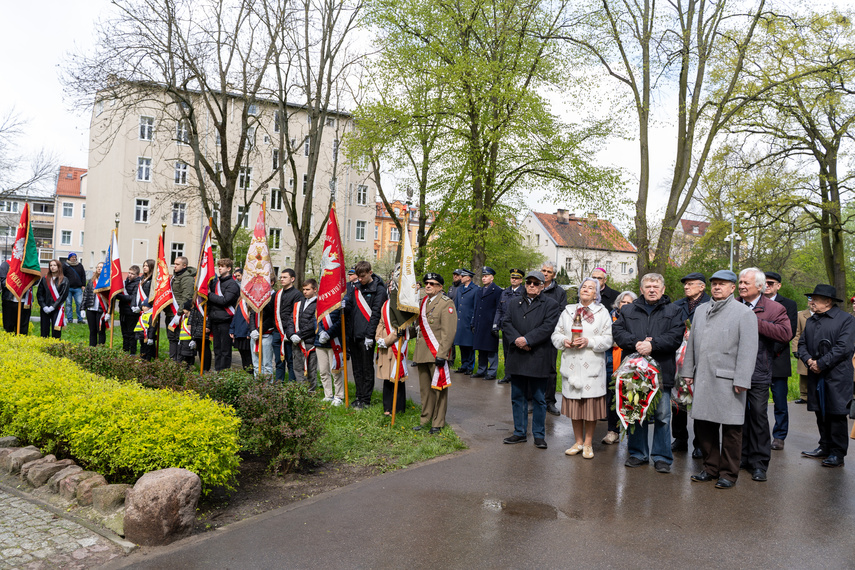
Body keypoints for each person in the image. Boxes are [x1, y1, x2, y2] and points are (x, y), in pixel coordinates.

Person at [682, 270, 758, 489]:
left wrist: (742, 379)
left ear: (733, 288)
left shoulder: (744, 313)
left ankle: (728, 473)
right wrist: (687, 371)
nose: (717, 287)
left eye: (722, 284)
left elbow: (748, 349)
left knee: (732, 429)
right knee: (704, 426)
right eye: (714, 283)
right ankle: (710, 468)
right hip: (703, 377)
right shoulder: (701, 310)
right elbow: (692, 345)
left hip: (729, 380)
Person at [612, 272, 685, 473]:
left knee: (662, 416)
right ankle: (637, 454)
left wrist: (652, 346)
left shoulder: (674, 310)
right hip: (634, 373)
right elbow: (618, 332)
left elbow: (675, 336)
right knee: (635, 413)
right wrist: (636, 344)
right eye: (648, 286)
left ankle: (662, 457)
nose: (652, 290)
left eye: (656, 286)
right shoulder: (628, 310)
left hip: (661, 371)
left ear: (662, 290)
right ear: (641, 290)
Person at [737, 267, 791, 483]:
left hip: (759, 371)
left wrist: (753, 321)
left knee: (758, 416)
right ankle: (740, 457)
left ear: (760, 286)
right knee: (737, 417)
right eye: (740, 282)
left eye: (746, 283)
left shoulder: (775, 308)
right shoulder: (732, 306)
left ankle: (759, 464)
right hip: (732, 371)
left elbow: (785, 334)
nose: (741, 286)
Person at [552, 277, 613, 458]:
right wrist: (564, 341)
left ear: (596, 293)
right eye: (583, 287)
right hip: (571, 364)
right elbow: (556, 334)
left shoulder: (602, 312)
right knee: (575, 407)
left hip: (592, 366)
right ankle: (578, 442)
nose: (586, 290)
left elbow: (608, 339)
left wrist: (589, 341)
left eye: (590, 288)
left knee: (590, 408)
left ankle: (588, 444)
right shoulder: (569, 311)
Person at [798, 284, 855, 468]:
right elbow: (802, 344)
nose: (811, 302)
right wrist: (809, 361)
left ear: (828, 301)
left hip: (837, 375)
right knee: (819, 411)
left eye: (815, 299)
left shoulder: (846, 320)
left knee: (836, 413)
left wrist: (820, 363)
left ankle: (837, 453)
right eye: (811, 298)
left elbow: (843, 348)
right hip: (816, 374)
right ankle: (824, 446)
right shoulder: (813, 320)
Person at [502, 270, 560, 449]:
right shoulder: (513, 303)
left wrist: (528, 340)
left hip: (538, 355)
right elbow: (506, 322)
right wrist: (518, 340)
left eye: (536, 283)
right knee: (517, 396)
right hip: (518, 355)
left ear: (543, 286)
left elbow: (548, 326)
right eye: (529, 283)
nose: (532, 286)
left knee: (538, 398)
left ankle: (539, 435)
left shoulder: (550, 304)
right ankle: (519, 432)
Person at [671, 272, 711, 457]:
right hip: (677, 359)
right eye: (685, 284)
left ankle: (700, 443)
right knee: (677, 400)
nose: (686, 287)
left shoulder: (711, 304)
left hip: (701, 359)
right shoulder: (677, 305)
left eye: (690, 284)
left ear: (701, 287)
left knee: (698, 401)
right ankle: (679, 439)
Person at [413, 272, 457, 434]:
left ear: (440, 287)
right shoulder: (423, 302)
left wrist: (443, 354)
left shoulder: (446, 303)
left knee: (439, 388)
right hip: (422, 351)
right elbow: (418, 327)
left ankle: (437, 423)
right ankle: (425, 419)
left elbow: (449, 332)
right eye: (426, 283)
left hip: (436, 352)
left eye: (432, 283)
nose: (428, 286)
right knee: (425, 389)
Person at [343, 260, 387, 409]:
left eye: (362, 276)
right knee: (356, 368)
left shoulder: (379, 289)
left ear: (370, 273)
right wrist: (344, 305)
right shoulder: (355, 288)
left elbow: (375, 314)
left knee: (366, 368)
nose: (360, 279)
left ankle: (366, 399)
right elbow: (351, 308)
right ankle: (359, 396)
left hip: (366, 336)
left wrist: (370, 335)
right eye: (358, 276)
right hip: (353, 334)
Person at [763, 271, 798, 451]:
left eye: (771, 282)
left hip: (777, 359)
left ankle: (779, 436)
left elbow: (788, 332)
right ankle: (758, 435)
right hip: (757, 361)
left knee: (780, 401)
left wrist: (769, 351)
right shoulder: (756, 302)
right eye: (764, 282)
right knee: (756, 402)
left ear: (778, 285)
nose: (767, 285)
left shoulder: (789, 304)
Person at [602, 291, 637, 445]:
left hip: (632, 362)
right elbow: (604, 337)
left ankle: (632, 434)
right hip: (611, 362)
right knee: (612, 398)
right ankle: (612, 431)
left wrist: (622, 341)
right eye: (623, 302)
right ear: (618, 303)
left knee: (632, 398)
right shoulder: (608, 316)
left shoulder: (637, 317)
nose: (626, 305)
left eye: (630, 303)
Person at [540, 261, 567, 416]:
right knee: (533, 367)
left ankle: (550, 401)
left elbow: (562, 312)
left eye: (549, 272)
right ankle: (532, 400)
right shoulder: (534, 286)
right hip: (534, 335)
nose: (545, 273)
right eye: (543, 270)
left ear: (554, 275)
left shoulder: (560, 292)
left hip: (551, 335)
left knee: (550, 369)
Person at [376, 290, 407, 416]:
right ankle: (387, 407)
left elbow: (403, 327)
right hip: (385, 345)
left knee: (397, 377)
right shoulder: (386, 304)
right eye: (390, 286)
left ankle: (398, 409)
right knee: (386, 378)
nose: (391, 288)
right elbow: (381, 323)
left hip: (397, 344)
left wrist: (389, 339)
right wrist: (379, 339)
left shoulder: (404, 305)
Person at [207, 258, 240, 371]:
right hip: (215, 319)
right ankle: (217, 370)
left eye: (222, 266)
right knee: (217, 348)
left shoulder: (232, 285)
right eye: (219, 266)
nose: (219, 268)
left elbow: (225, 300)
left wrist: (210, 295)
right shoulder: (216, 283)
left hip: (226, 320)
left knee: (225, 349)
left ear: (229, 268)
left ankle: (224, 372)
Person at [471, 266, 502, 380]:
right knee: (481, 349)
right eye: (483, 276)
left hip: (490, 324)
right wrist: (473, 322)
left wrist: (496, 324)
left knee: (491, 349)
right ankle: (481, 370)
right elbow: (476, 307)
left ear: (492, 277)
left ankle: (492, 372)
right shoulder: (479, 290)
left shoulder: (497, 290)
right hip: (480, 324)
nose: (484, 278)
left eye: (486, 276)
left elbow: (499, 308)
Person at [494, 268, 524, 384]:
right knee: (507, 352)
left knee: (518, 352)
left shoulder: (523, 292)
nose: (514, 280)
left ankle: (518, 376)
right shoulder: (505, 292)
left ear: (521, 280)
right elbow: (499, 310)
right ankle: (508, 374)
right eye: (512, 278)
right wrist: (495, 324)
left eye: (516, 278)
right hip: (506, 327)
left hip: (518, 328)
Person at [166, 256, 196, 361]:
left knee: (178, 338)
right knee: (171, 337)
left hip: (179, 313)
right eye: (174, 263)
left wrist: (178, 314)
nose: (175, 266)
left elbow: (186, 297)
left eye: (177, 264)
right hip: (170, 312)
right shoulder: (175, 277)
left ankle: (179, 362)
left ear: (184, 265)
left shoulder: (187, 278)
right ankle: (173, 359)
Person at [274, 268, 302, 382]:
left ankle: (291, 386)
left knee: (291, 361)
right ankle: (278, 384)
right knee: (278, 361)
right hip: (277, 332)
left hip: (289, 332)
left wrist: (289, 332)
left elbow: (295, 314)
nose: (282, 279)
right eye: (281, 277)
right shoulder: (278, 294)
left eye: (285, 277)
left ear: (292, 279)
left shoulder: (297, 295)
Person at [316, 300, 344, 406]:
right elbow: (316, 320)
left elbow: (340, 322)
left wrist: (328, 333)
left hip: (333, 341)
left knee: (335, 371)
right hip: (319, 342)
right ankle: (328, 395)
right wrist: (320, 332)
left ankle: (339, 396)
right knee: (323, 371)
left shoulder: (338, 304)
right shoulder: (320, 304)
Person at [291, 279, 319, 390]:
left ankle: (311, 392)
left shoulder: (318, 304)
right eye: (303, 289)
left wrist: (300, 335)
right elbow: (290, 320)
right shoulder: (299, 303)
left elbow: (313, 323)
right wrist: (291, 334)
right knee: (297, 367)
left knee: (311, 368)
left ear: (315, 289)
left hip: (309, 341)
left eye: (308, 289)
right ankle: (301, 391)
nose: (305, 292)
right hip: (296, 341)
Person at [37, 259, 69, 339]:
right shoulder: (44, 279)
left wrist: (53, 307)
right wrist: (44, 306)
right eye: (51, 265)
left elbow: (63, 296)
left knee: (56, 331)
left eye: (54, 265)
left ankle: (55, 347)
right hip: (45, 308)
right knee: (44, 330)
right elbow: (39, 294)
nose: (52, 267)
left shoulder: (64, 280)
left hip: (56, 308)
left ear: (59, 267)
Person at [791, 298, 815, 404]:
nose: (811, 302)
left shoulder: (824, 314)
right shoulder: (801, 315)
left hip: (819, 348)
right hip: (804, 347)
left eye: (813, 300)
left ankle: (816, 395)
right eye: (809, 300)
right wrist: (795, 349)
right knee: (804, 373)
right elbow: (797, 333)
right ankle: (804, 396)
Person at [230, 268, 254, 372]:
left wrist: (250, 331)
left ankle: (251, 375)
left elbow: (253, 318)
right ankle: (246, 373)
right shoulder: (240, 300)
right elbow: (236, 317)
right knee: (243, 357)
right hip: (239, 333)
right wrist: (232, 329)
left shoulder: (252, 301)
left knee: (249, 358)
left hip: (247, 334)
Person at [0, 260, 33, 335]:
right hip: (9, 300)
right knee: (8, 328)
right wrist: (17, 284)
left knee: (23, 329)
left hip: (24, 301)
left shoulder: (28, 264)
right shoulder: (5, 264)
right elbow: (3, 282)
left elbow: (35, 281)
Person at [453, 268, 476, 374]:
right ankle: (464, 364)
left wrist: (473, 320)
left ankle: (470, 367)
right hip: (460, 320)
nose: (460, 278)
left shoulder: (475, 289)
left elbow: (476, 307)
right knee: (462, 343)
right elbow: (457, 305)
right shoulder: (459, 289)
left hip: (469, 320)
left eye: (463, 276)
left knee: (470, 345)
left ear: (469, 278)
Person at [115, 264, 141, 353]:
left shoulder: (138, 284)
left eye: (132, 274)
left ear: (137, 275)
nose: (129, 275)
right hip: (123, 311)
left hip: (131, 312)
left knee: (131, 333)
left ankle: (132, 352)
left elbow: (132, 297)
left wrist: (118, 296)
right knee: (124, 333)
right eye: (129, 273)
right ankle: (125, 350)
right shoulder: (125, 282)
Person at [82, 262, 108, 346]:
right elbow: (86, 295)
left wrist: (109, 312)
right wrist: (82, 308)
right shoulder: (91, 281)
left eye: (101, 267)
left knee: (100, 330)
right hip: (91, 309)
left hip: (101, 310)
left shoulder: (107, 281)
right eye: (98, 267)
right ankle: (92, 348)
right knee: (92, 331)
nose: (99, 268)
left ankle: (100, 348)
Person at [136, 259, 157, 361]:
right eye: (143, 265)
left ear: (152, 267)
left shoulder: (153, 279)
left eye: (147, 266)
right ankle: (144, 355)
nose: (144, 267)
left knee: (149, 334)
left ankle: (149, 356)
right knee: (142, 334)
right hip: (143, 308)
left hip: (150, 308)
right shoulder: (142, 279)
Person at [62, 252, 86, 324]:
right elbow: (62, 276)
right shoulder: (65, 266)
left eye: (75, 257)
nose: (74, 258)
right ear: (69, 258)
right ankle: (70, 319)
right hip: (68, 288)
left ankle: (80, 319)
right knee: (68, 303)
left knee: (79, 303)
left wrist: (83, 285)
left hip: (78, 288)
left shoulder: (80, 265)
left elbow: (83, 275)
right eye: (72, 257)